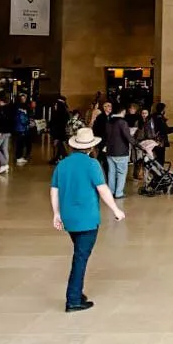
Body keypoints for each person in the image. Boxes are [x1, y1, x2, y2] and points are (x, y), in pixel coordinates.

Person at [49, 126, 125, 312]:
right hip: (87, 219)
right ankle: (73, 299)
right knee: (80, 258)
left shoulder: (62, 164)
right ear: (91, 147)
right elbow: (102, 189)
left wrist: (56, 213)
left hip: (69, 218)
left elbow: (54, 190)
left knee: (79, 252)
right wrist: (116, 209)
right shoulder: (92, 165)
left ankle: (77, 292)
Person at [106, 105, 135, 198]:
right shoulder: (122, 122)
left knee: (111, 172)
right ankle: (119, 193)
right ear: (122, 111)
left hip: (110, 151)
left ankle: (110, 191)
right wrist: (138, 144)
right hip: (121, 151)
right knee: (121, 173)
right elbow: (128, 136)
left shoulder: (109, 121)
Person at [91, 100, 112, 176]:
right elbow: (96, 129)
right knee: (103, 157)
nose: (110, 107)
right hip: (103, 140)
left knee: (103, 157)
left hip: (109, 141)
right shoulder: (100, 117)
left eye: (110, 106)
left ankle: (102, 172)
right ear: (104, 107)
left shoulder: (111, 117)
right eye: (108, 106)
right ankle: (103, 173)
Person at [49, 96, 70, 165]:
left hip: (59, 134)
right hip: (59, 133)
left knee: (60, 147)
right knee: (59, 147)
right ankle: (58, 158)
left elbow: (59, 126)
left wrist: (56, 137)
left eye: (56, 105)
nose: (54, 106)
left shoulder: (60, 114)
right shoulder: (61, 113)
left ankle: (60, 159)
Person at [13, 93, 31, 166]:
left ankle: (19, 156)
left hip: (21, 128)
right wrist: (28, 122)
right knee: (19, 144)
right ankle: (18, 157)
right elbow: (22, 118)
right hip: (21, 128)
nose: (23, 100)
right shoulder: (19, 108)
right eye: (22, 98)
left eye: (24, 98)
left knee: (21, 143)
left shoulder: (24, 107)